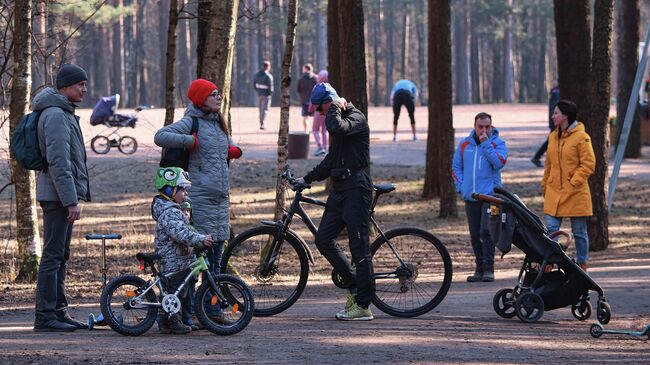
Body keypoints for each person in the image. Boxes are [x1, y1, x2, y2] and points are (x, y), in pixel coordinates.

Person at [154, 79, 241, 322]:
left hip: (220, 203)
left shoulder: (219, 123)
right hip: (199, 202)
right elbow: (161, 136)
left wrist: (233, 149)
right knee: (195, 265)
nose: (218, 97)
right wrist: (189, 141)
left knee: (214, 265)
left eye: (219, 94)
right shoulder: (191, 121)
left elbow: (223, 148)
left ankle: (212, 312)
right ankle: (188, 314)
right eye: (213, 94)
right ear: (201, 99)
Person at [296, 83, 375, 321]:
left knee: (359, 246)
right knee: (323, 239)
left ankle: (363, 305)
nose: (320, 114)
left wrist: (334, 108)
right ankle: (353, 284)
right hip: (340, 189)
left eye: (321, 108)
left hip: (357, 188)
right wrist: (306, 179)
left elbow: (336, 127)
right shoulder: (337, 117)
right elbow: (331, 160)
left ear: (330, 103)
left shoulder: (354, 117)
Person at [33, 63, 91, 332]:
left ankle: (58, 311)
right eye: (80, 84)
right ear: (66, 86)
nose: (84, 89)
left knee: (61, 254)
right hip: (57, 196)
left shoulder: (63, 112)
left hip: (59, 194)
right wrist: (70, 201)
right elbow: (59, 162)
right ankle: (45, 317)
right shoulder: (56, 114)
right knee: (53, 255)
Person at [152, 167, 214, 334]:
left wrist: (200, 239)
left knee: (177, 292)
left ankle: (167, 322)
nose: (185, 194)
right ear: (170, 190)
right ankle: (171, 322)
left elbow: (187, 231)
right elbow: (181, 234)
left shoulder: (174, 210)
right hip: (172, 260)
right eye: (182, 190)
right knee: (173, 293)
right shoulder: (169, 212)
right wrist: (200, 239)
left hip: (180, 260)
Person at [452, 112, 508, 283]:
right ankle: (479, 269)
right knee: (475, 235)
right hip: (471, 196)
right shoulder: (464, 144)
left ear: (491, 126)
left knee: (487, 232)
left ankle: (489, 269)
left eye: (487, 126)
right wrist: (461, 187)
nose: (484, 130)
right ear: (474, 126)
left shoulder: (498, 143)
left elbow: (499, 162)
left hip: (491, 197)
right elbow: (456, 168)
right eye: (480, 126)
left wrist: (486, 144)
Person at [542, 100, 595, 271]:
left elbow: (588, 164)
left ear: (565, 116)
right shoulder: (552, 136)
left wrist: (573, 183)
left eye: (556, 113)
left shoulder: (582, 137)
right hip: (554, 192)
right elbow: (548, 165)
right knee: (550, 231)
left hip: (575, 193)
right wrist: (545, 185)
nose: (553, 116)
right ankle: (548, 263)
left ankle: (582, 263)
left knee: (579, 232)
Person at [531, 81, 560, 167]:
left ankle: (537, 157)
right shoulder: (557, 93)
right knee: (551, 140)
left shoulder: (557, 92)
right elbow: (554, 109)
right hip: (556, 122)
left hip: (556, 122)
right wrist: (555, 122)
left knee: (551, 140)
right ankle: (537, 157)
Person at [309, 70, 330, 156]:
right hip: (328, 111)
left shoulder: (317, 87)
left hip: (319, 110)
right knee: (324, 130)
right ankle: (325, 147)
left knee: (315, 129)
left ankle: (320, 147)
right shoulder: (330, 86)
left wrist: (310, 110)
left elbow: (312, 100)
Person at [296, 63, 318, 133]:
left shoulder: (301, 79)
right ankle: (316, 130)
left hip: (304, 100)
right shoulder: (316, 78)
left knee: (305, 117)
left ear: (305, 69)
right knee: (316, 116)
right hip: (315, 101)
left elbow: (298, 90)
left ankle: (306, 131)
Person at [253, 60, 274, 130]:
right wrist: (270, 94)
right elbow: (270, 87)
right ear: (268, 67)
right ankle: (262, 124)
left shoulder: (257, 75)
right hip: (266, 95)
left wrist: (258, 91)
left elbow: (254, 85)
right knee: (265, 109)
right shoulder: (269, 76)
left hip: (259, 94)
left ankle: (261, 122)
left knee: (260, 109)